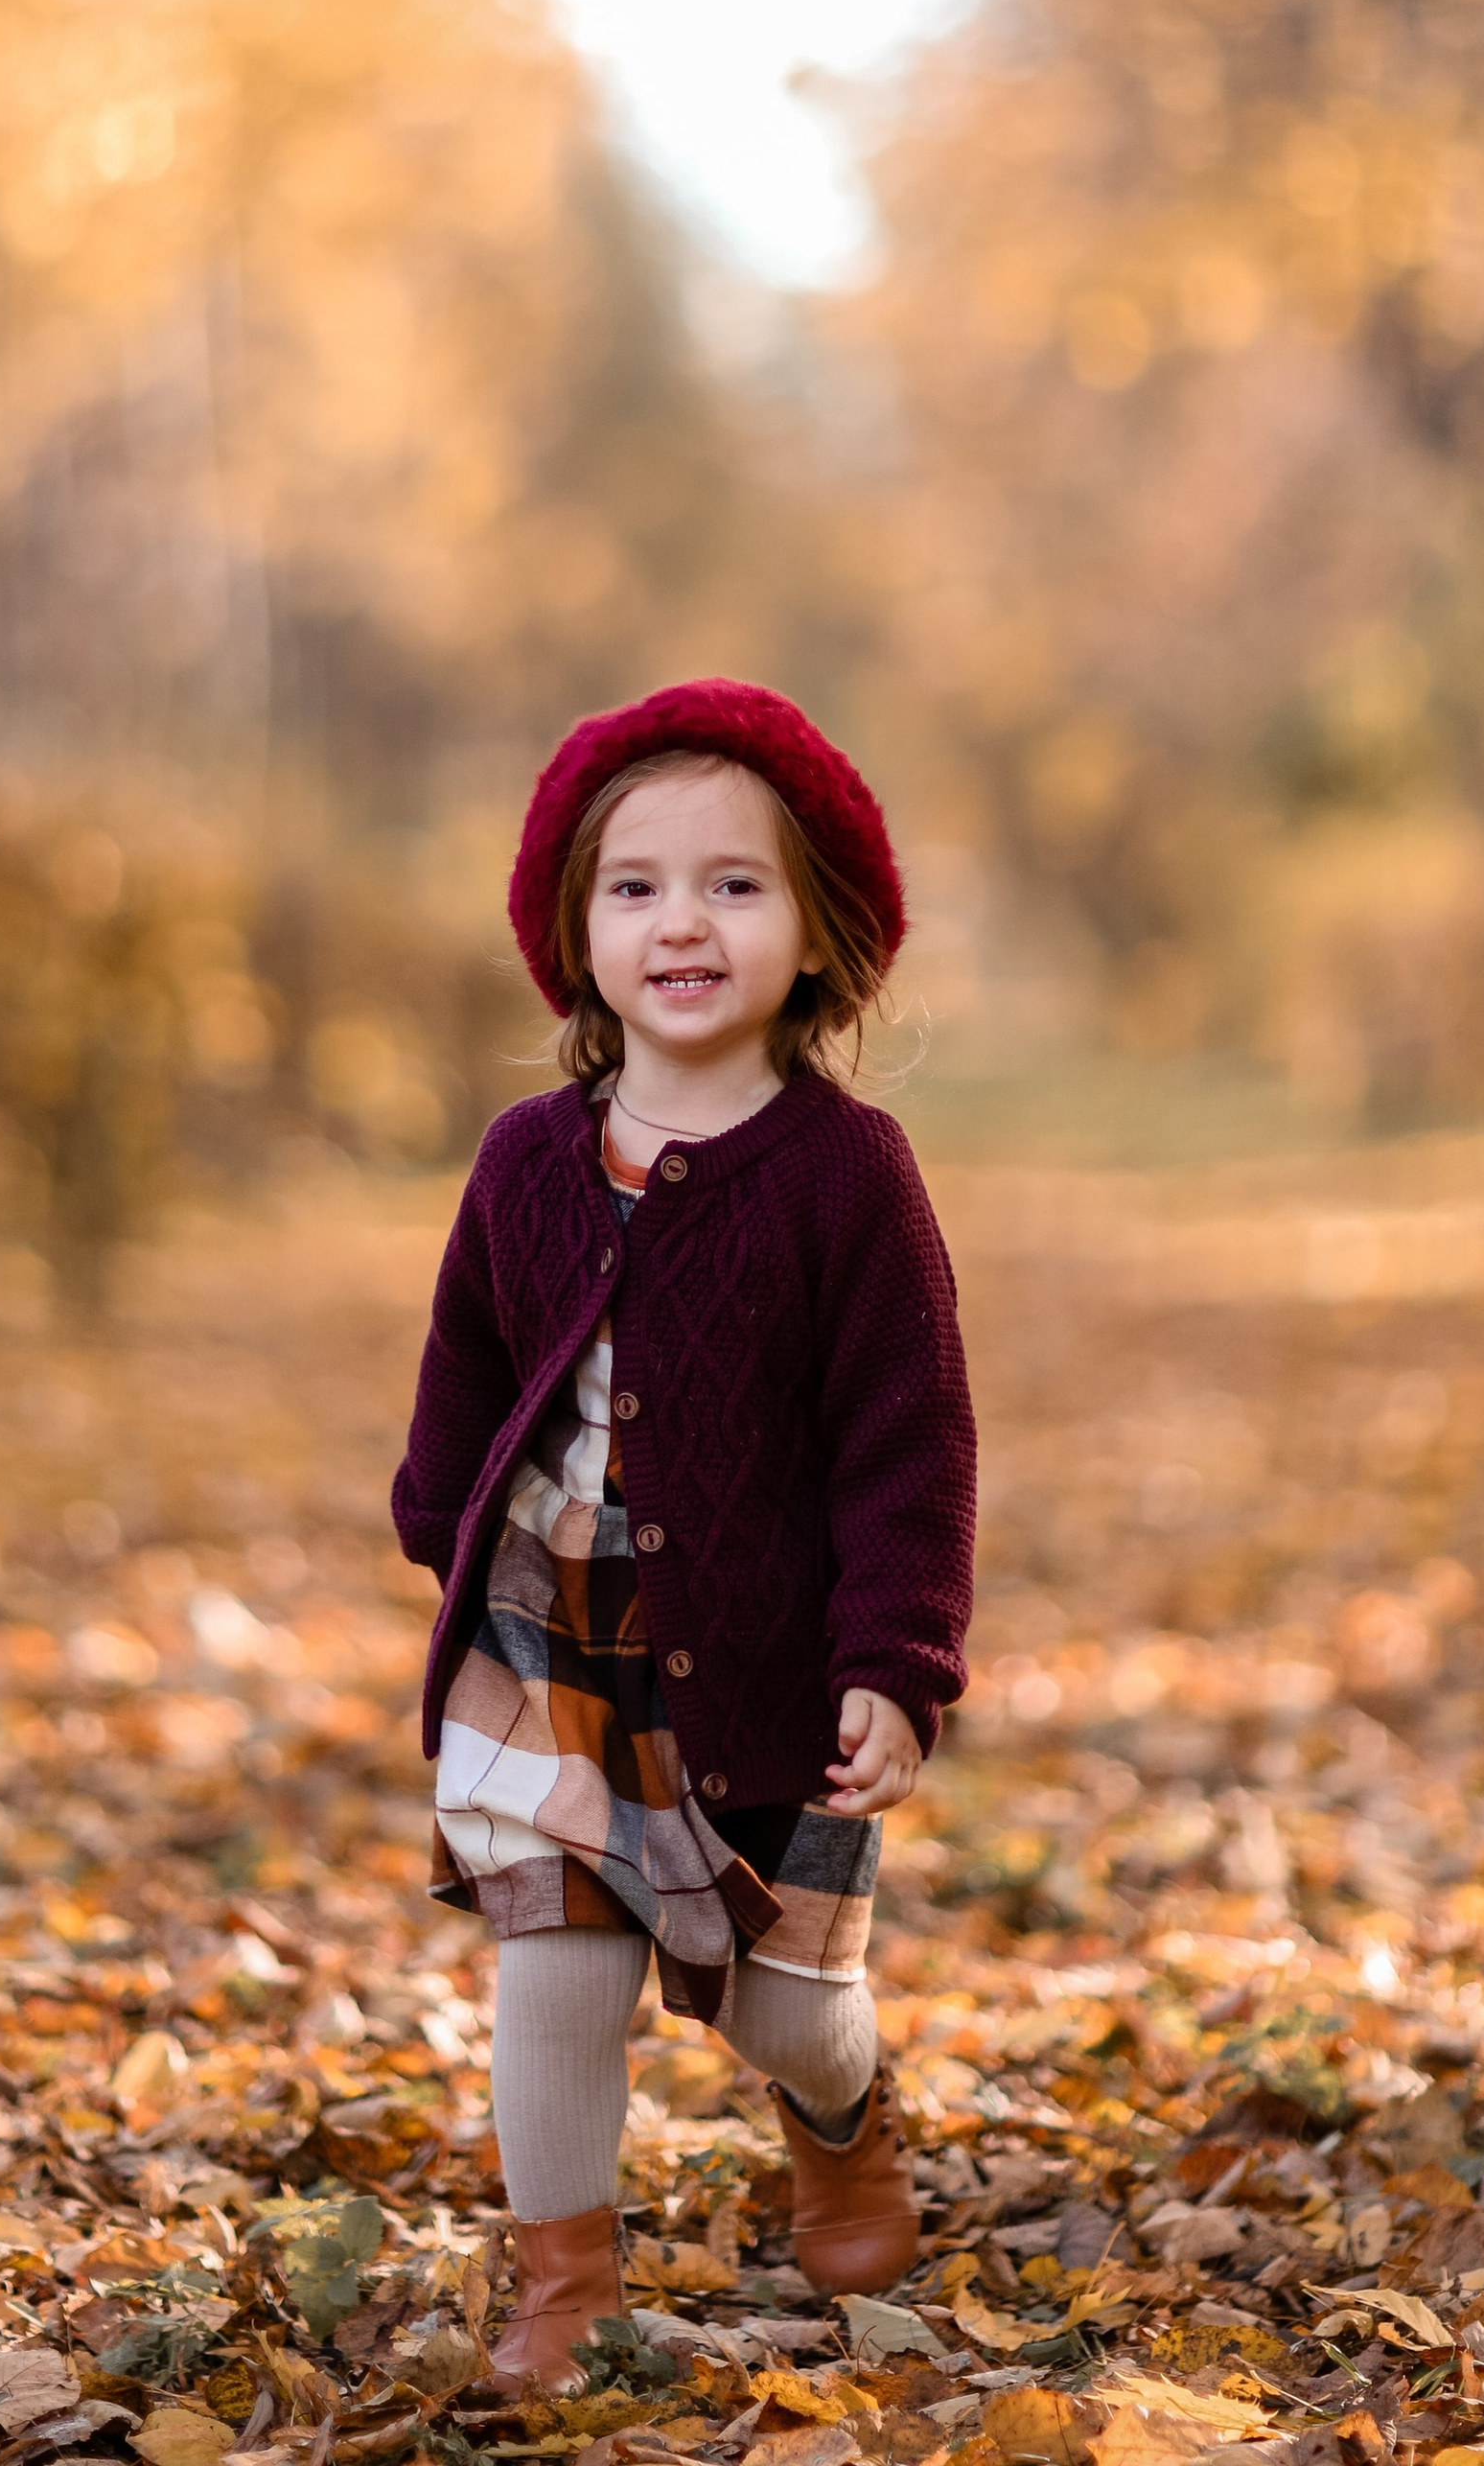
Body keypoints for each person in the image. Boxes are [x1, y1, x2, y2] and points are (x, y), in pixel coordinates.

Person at [391, 679, 979, 2398]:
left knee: (777, 1997)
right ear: (578, 934)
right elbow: (472, 1356)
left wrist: (895, 1660)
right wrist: (441, 1523)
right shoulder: (525, 1159)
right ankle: (563, 2284)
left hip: (766, 1657)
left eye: (736, 884)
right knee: (555, 1962)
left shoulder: (848, 1179)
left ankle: (838, 2102)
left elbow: (907, 1440)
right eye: (635, 886)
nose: (683, 923)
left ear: (817, 934)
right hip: (549, 1645)